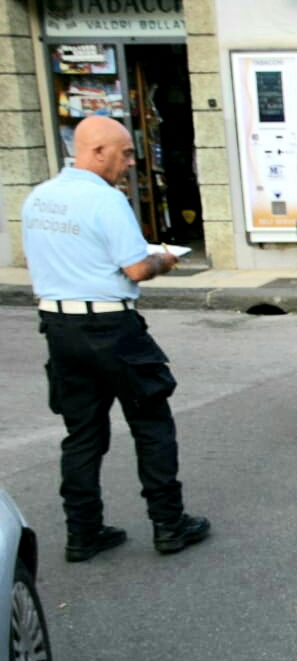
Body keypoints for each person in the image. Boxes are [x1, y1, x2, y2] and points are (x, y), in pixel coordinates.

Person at [22, 115, 210, 562]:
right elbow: (137, 268)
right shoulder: (107, 201)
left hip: (59, 328)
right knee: (151, 424)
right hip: (112, 329)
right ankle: (169, 525)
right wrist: (165, 259)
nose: (130, 162)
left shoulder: (38, 198)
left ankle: (82, 532)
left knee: (82, 434)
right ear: (97, 152)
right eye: (124, 154)